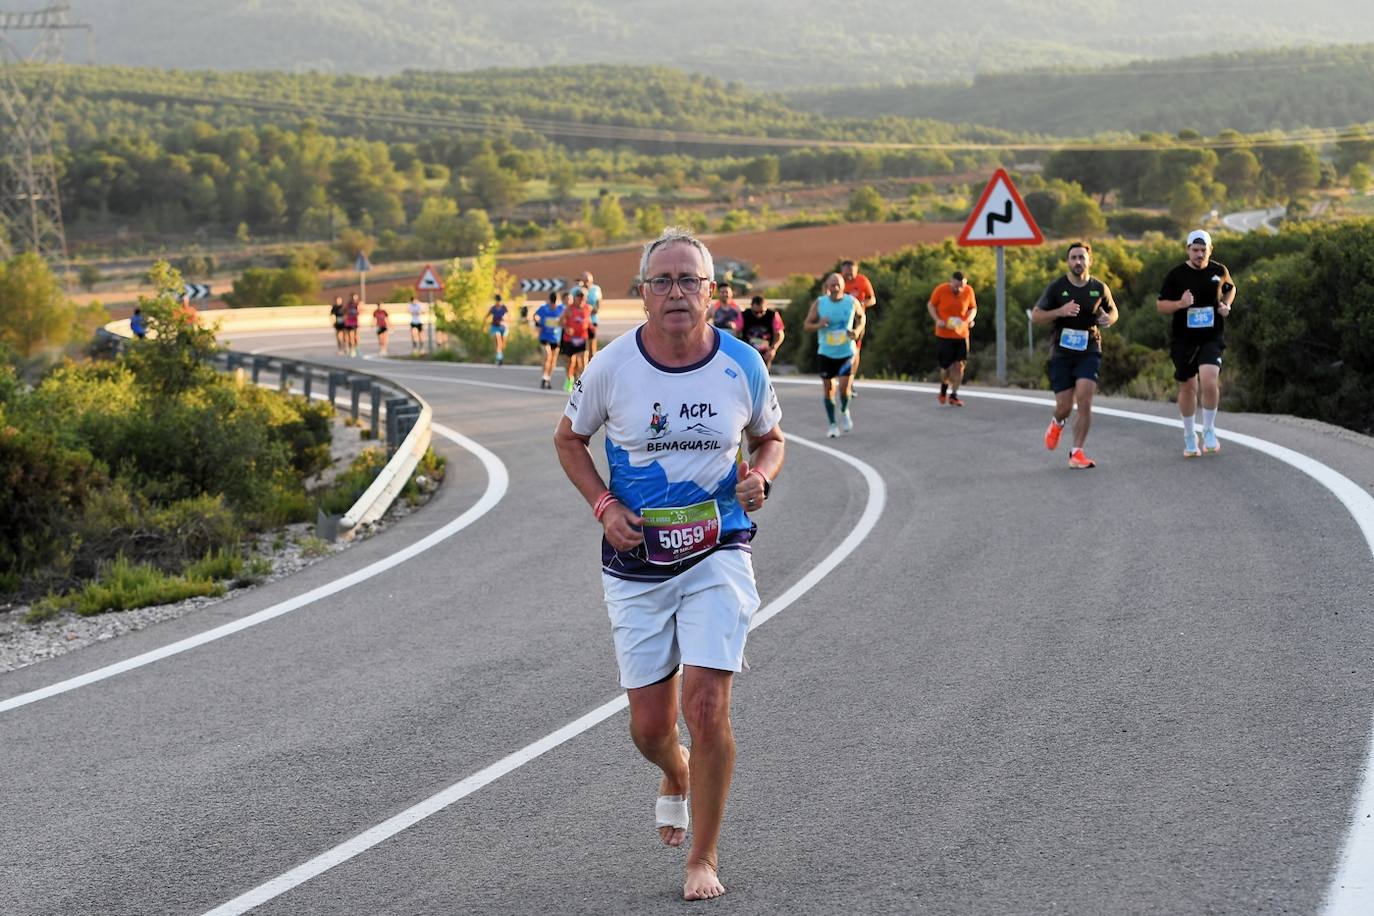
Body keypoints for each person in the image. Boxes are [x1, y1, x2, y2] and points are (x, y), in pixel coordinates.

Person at [553, 226, 784, 902]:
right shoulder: (611, 367)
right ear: (643, 293)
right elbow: (568, 439)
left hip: (719, 548)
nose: (677, 292)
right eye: (664, 281)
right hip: (636, 561)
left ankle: (702, 859)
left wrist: (761, 478)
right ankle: (675, 772)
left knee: (707, 704)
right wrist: (602, 505)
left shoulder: (741, 363)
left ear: (712, 293)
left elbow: (770, 439)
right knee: (651, 728)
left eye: (690, 280)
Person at [1031, 242, 1119, 469]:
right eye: (1073, 258)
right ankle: (1057, 422)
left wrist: (1109, 319)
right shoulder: (1057, 287)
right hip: (1062, 352)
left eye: (1082, 257)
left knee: (1085, 399)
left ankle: (1077, 452)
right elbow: (1036, 316)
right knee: (1064, 405)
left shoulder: (1099, 288)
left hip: (1089, 348)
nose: (1078, 261)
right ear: (1068, 261)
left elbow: (1113, 311)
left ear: (1089, 261)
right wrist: (1060, 311)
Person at [1157, 229, 1236, 457]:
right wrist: (1180, 304)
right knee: (1188, 387)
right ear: (1188, 250)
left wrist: (1226, 305)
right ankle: (1190, 435)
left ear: (1210, 250)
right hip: (1183, 340)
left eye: (1204, 250)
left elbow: (1231, 289)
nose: (1199, 254)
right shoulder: (1176, 275)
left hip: (1211, 337)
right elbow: (1161, 305)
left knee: (1210, 380)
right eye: (1195, 250)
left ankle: (1209, 429)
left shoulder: (1219, 270)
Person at [803, 272, 864, 437]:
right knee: (828, 389)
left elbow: (861, 317)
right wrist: (819, 325)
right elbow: (807, 325)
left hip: (846, 352)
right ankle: (832, 424)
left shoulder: (851, 302)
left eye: (838, 284)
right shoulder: (820, 303)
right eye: (832, 285)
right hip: (826, 352)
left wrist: (857, 330)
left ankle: (844, 411)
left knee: (844, 389)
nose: (835, 288)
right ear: (827, 287)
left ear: (843, 286)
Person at [926, 271, 977, 406]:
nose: (959, 289)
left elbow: (973, 308)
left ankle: (954, 395)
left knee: (959, 366)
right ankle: (944, 387)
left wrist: (970, 320)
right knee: (946, 368)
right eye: (956, 286)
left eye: (962, 286)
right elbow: (931, 305)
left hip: (962, 334)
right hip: (944, 334)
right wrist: (938, 320)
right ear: (951, 281)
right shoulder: (941, 290)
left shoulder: (969, 291)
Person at [840, 259, 876, 387]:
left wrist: (861, 304)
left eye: (852, 273)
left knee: (855, 350)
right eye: (847, 273)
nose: (849, 276)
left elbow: (872, 299)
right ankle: (839, 375)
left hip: (857, 320)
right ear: (842, 271)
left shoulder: (862, 281)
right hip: (839, 321)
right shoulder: (837, 281)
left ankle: (850, 381)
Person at [739, 295, 785, 371]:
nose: (759, 315)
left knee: (764, 372)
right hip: (749, 349)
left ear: (766, 307)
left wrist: (773, 349)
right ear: (751, 307)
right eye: (756, 312)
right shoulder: (743, 315)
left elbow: (780, 335)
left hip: (766, 350)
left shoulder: (773, 315)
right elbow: (737, 332)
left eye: (762, 312)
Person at [559, 287, 591, 390]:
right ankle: (570, 379)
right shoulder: (569, 309)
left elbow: (588, 321)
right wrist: (566, 328)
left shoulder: (587, 308)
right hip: (570, 339)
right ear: (575, 298)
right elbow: (560, 321)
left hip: (582, 338)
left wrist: (591, 327)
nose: (581, 300)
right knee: (570, 362)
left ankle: (582, 383)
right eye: (579, 297)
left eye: (583, 298)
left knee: (582, 361)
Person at [533, 291, 564, 389]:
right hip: (544, 337)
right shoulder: (544, 308)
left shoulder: (561, 309)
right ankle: (544, 376)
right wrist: (538, 325)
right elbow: (535, 315)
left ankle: (548, 378)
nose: (553, 305)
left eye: (555, 303)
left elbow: (565, 319)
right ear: (549, 301)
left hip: (556, 338)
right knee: (547, 355)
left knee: (553, 360)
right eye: (552, 303)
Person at [581, 271, 604, 358]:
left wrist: (595, 309)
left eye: (588, 280)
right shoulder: (578, 290)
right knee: (582, 347)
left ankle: (591, 363)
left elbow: (599, 302)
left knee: (592, 344)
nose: (587, 282)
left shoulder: (596, 289)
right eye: (585, 280)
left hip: (593, 319)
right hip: (581, 320)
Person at [487, 293, 510, 366]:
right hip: (495, 327)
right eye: (497, 301)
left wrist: (506, 323)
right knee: (498, 341)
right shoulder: (493, 308)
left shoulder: (504, 308)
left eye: (499, 301)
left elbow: (509, 317)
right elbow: (486, 316)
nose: (498, 302)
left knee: (502, 344)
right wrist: (485, 326)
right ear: (495, 301)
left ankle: (500, 358)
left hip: (503, 327)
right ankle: (498, 358)